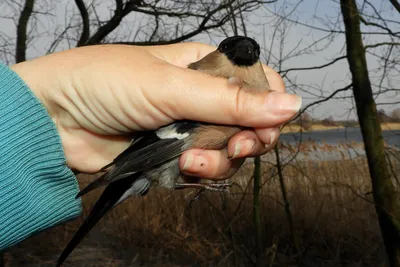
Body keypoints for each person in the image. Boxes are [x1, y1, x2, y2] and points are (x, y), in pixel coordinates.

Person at [0, 42, 301, 250]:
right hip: (144, 166)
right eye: (226, 50)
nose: (240, 57)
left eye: (251, 54)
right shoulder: (197, 104)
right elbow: (164, 144)